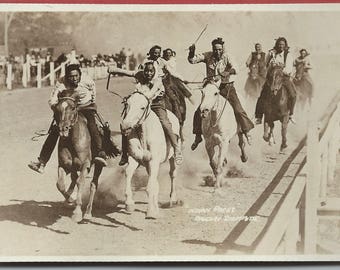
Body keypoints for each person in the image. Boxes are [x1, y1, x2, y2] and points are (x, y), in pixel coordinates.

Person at [28, 63, 107, 174]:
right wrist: (58, 109)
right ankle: (42, 162)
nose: (74, 79)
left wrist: (91, 103)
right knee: (55, 130)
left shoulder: (87, 80)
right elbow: (53, 99)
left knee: (92, 125)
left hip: (85, 106)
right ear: (66, 77)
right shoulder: (61, 83)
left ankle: (100, 153)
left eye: (76, 76)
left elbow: (93, 92)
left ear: (80, 74)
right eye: (71, 76)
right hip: (68, 109)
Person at [108, 62, 183, 166]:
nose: (148, 73)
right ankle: (125, 154)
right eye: (146, 71)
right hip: (141, 104)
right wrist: (113, 69)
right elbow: (128, 72)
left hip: (156, 104)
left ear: (154, 72)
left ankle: (176, 149)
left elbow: (150, 94)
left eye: (151, 71)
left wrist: (139, 97)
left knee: (165, 122)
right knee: (126, 123)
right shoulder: (140, 75)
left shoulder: (157, 81)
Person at [188, 37, 254, 150]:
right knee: (200, 110)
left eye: (219, 49)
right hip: (212, 88)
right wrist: (192, 51)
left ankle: (246, 130)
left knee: (238, 108)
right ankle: (198, 135)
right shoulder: (207, 55)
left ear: (222, 49)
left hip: (226, 87)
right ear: (212, 49)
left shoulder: (227, 56)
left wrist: (224, 73)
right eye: (215, 49)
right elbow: (192, 60)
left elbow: (236, 68)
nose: (217, 52)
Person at [254, 37, 297, 125]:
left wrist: (280, 67)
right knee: (262, 95)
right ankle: (258, 116)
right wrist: (271, 65)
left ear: (285, 46)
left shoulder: (288, 55)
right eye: (279, 44)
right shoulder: (271, 53)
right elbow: (265, 66)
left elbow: (289, 69)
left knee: (293, 94)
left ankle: (291, 114)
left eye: (283, 45)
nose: (281, 46)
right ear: (277, 45)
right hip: (272, 78)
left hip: (284, 78)